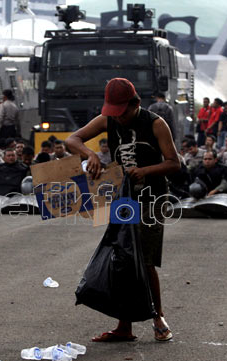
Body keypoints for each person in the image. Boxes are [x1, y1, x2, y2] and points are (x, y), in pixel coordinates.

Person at [65, 77, 180, 343]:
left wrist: (145, 171)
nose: (120, 118)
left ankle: (158, 316)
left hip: (152, 196)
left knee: (144, 258)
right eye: (114, 113)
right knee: (122, 255)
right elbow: (73, 139)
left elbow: (175, 163)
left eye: (123, 112)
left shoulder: (155, 124)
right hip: (122, 196)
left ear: (135, 104)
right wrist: (90, 155)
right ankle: (124, 327)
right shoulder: (108, 120)